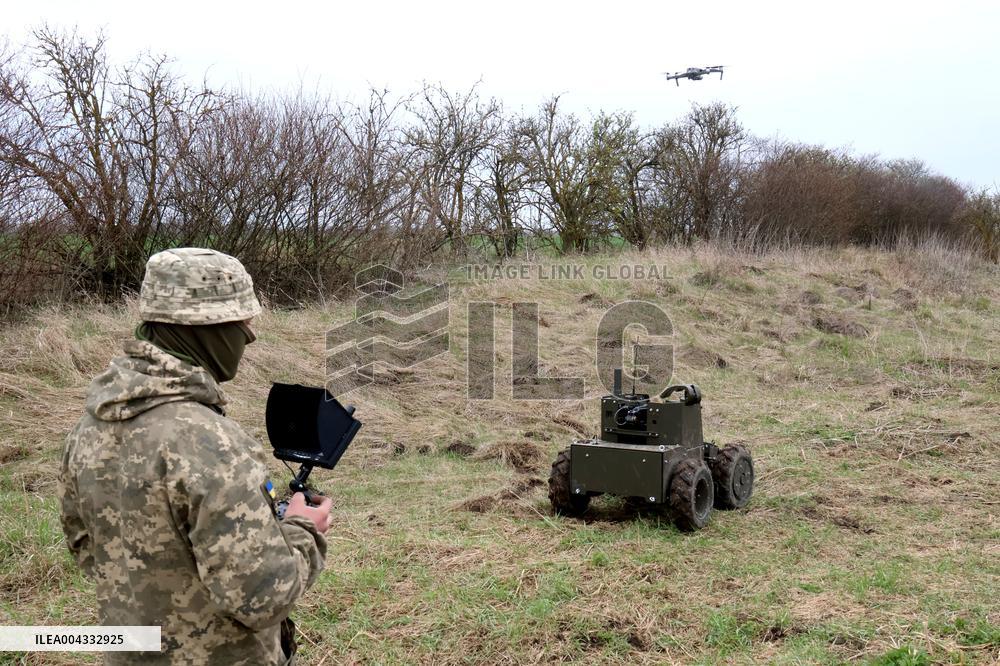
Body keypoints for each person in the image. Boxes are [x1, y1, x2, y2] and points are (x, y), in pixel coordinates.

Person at [59, 247, 331, 665]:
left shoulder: (89, 426)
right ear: (208, 327)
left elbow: (87, 548)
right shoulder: (210, 442)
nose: (250, 335)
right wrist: (302, 529)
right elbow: (262, 598)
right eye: (243, 321)